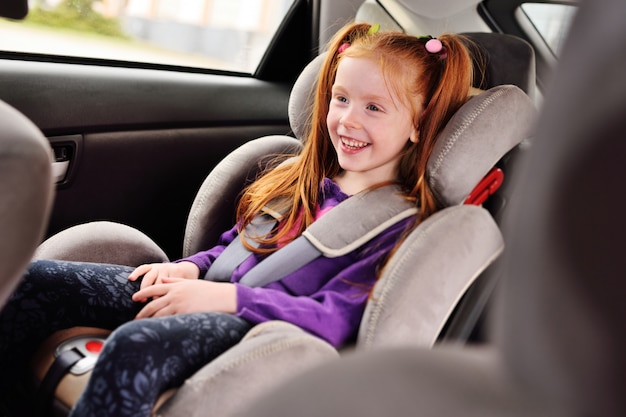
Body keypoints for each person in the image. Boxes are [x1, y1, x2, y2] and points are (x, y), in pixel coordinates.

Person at [0, 22, 475, 417]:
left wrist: (225, 297)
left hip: (264, 334)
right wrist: (191, 269)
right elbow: (236, 247)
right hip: (209, 291)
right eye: (341, 98)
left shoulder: (400, 226)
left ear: (418, 122)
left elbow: (336, 318)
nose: (348, 120)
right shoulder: (301, 178)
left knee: (135, 345)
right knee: (35, 280)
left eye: (374, 108)